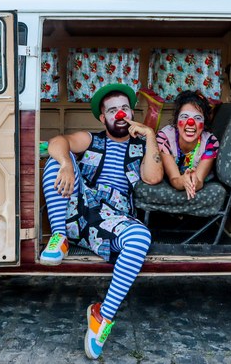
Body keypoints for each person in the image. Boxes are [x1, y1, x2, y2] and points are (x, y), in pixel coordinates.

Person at [39, 83, 163, 360]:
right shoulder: (92, 139)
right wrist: (68, 163)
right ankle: (59, 238)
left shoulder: (140, 146)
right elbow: (57, 142)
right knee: (57, 160)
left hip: (111, 220)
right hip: (79, 207)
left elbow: (153, 177)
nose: (120, 114)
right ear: (102, 118)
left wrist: (150, 134)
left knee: (141, 237)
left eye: (124, 108)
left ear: (131, 113)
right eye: (112, 110)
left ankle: (102, 316)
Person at [155, 91, 219, 199]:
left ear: (204, 124)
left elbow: (199, 180)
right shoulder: (164, 137)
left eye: (198, 118)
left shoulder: (210, 142)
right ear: (176, 121)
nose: (190, 122)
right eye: (184, 116)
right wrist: (183, 181)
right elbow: (174, 179)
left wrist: (194, 181)